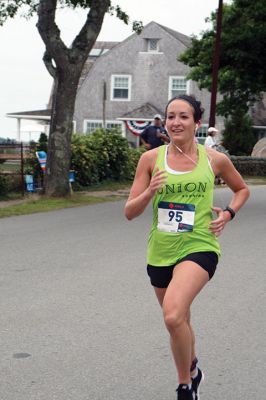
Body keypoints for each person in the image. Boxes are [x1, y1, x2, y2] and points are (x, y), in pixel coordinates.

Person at [124, 94, 250, 400]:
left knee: (172, 315)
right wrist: (150, 192)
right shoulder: (150, 159)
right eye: (170, 116)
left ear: (197, 123)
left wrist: (229, 213)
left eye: (183, 116)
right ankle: (193, 367)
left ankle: (185, 386)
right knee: (180, 319)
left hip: (199, 245)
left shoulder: (214, 159)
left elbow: (241, 189)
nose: (175, 122)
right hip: (161, 250)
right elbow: (130, 211)